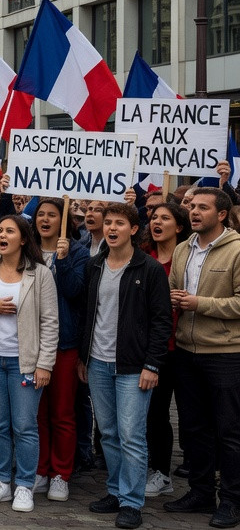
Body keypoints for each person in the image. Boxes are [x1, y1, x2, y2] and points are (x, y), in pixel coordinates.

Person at [79, 202, 170, 530]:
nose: (112, 229)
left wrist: (152, 365)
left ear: (133, 229)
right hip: (98, 363)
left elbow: (162, 321)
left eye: (119, 223)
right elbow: (87, 314)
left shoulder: (149, 269)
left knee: (132, 435)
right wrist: (84, 357)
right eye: (108, 223)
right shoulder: (94, 265)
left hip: (134, 367)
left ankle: (132, 502)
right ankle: (116, 491)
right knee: (109, 433)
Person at [0, 215, 59, 513]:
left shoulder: (40, 273)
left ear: (23, 239)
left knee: (24, 425)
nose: (2, 236)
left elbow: (50, 322)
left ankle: (24, 484)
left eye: (9, 231)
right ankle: (0, 481)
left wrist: (44, 364)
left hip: (26, 362)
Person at [166, 187, 240, 527]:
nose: (193, 212)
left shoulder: (236, 250)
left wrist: (199, 304)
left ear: (221, 214)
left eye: (202, 207)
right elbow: (173, 288)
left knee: (229, 431)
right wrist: (172, 298)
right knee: (194, 428)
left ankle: (232, 500)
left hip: (226, 353)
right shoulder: (183, 248)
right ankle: (200, 492)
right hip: (186, 350)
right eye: (192, 206)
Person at [30, 198, 90, 502]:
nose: (45, 219)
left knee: (63, 412)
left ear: (63, 220)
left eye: (52, 215)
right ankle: (40, 469)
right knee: (37, 413)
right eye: (41, 214)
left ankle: (60, 474)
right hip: (31, 343)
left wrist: (63, 262)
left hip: (64, 344)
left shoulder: (78, 253)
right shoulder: (28, 251)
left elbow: (76, 291)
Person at [139, 200, 190, 500]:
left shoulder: (187, 258)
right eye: (154, 217)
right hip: (147, 346)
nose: (157, 222)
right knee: (151, 413)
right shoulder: (144, 257)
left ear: (179, 226)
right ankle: (154, 469)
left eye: (165, 218)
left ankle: (170, 473)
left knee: (176, 414)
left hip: (179, 346)